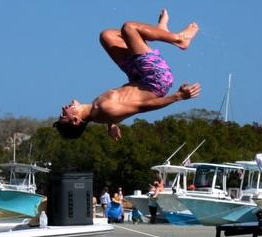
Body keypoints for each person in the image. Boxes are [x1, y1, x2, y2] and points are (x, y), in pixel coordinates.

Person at [54, 10, 201, 140]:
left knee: (106, 36)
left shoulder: (98, 112)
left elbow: (112, 113)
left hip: (137, 76)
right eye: (63, 115)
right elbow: (143, 106)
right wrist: (178, 97)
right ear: (75, 120)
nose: (63, 109)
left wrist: (110, 125)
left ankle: (160, 33)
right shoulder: (105, 109)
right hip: (155, 79)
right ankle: (179, 39)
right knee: (129, 28)